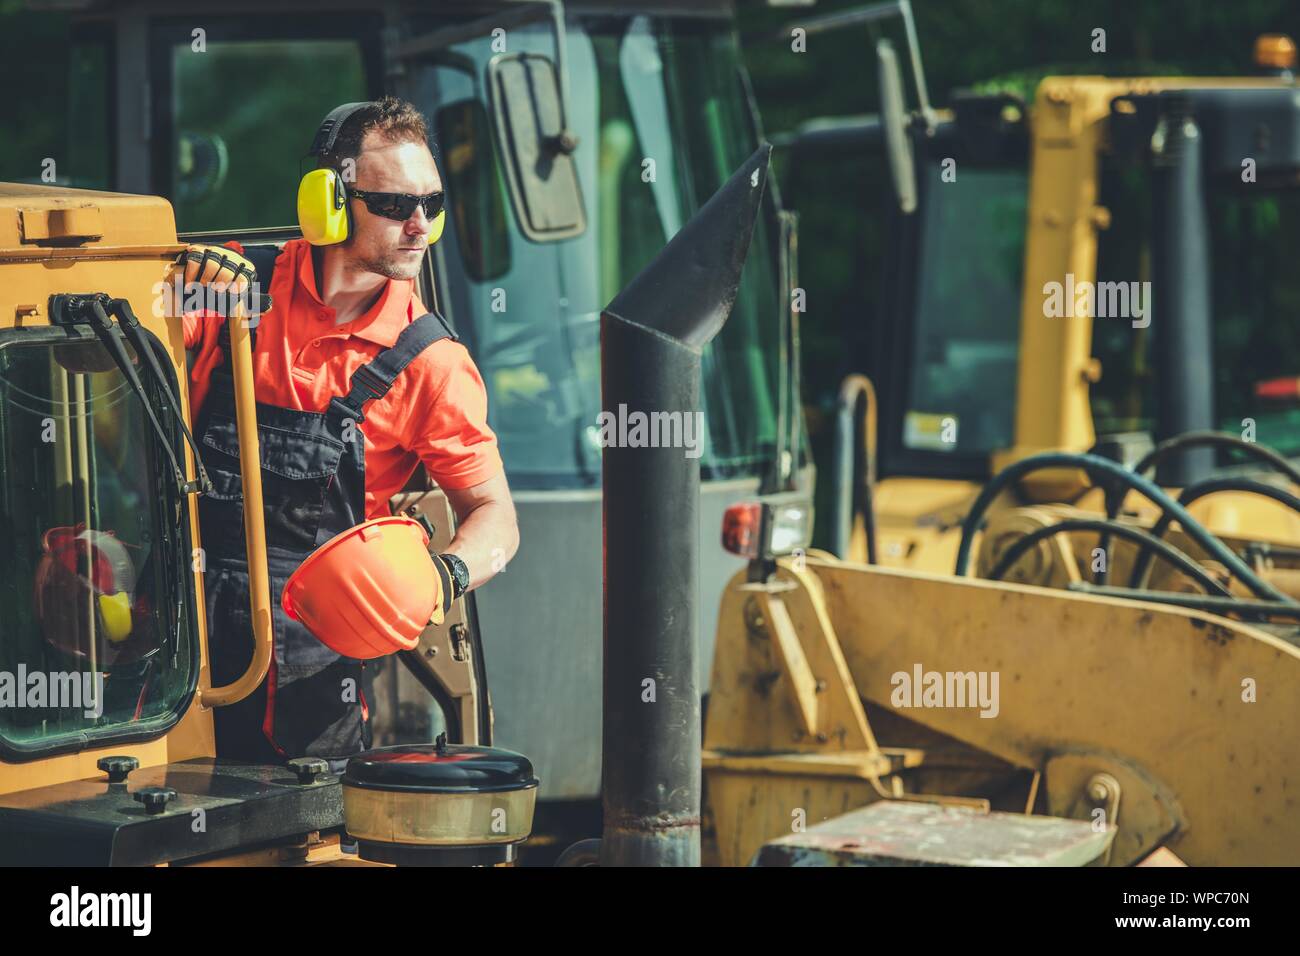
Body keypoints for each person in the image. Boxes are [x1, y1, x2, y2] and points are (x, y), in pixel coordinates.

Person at [175, 97, 519, 764]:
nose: (419, 225)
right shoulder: (232, 286)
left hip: (312, 669)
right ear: (328, 204)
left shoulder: (434, 364)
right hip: (182, 644)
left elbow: (497, 519)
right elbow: (113, 361)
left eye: (433, 204)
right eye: (394, 205)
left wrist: (444, 575)